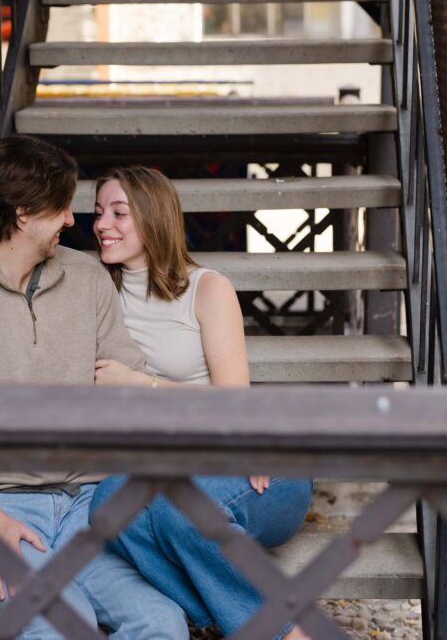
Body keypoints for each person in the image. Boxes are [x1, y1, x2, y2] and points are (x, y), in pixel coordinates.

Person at [0, 137, 188, 639]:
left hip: (87, 504)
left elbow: (127, 389)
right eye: (61, 207)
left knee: (161, 622)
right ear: (23, 214)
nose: (73, 221)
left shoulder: (88, 278)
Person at [89, 165, 314, 640]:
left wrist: (140, 384)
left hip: (255, 462)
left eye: (118, 212)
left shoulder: (207, 289)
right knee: (109, 502)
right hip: (170, 466)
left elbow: (233, 403)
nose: (101, 224)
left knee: (179, 509)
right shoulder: (97, 292)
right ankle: (233, 621)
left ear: (153, 218)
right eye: (98, 212)